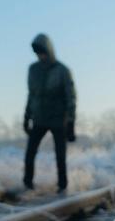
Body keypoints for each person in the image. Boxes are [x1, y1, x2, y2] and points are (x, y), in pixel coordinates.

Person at [23, 33, 76, 193]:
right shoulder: (33, 70)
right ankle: (27, 184)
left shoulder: (62, 70)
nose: (40, 55)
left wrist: (71, 122)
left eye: (43, 51)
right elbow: (31, 95)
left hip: (58, 120)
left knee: (60, 155)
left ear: (49, 50)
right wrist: (26, 117)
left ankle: (62, 186)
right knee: (30, 152)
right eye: (37, 52)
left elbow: (70, 97)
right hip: (39, 118)